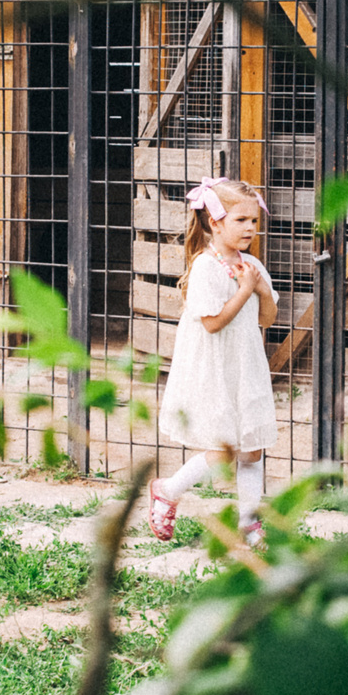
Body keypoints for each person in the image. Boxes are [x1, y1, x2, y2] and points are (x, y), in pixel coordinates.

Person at [146, 175, 279, 548]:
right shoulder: (206, 267)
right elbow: (213, 323)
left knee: (252, 448)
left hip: (246, 367)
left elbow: (267, 319)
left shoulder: (251, 265)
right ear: (215, 223)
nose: (250, 228)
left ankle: (249, 523)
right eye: (241, 220)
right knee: (222, 451)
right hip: (214, 370)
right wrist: (245, 289)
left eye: (254, 220)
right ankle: (167, 490)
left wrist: (261, 288)